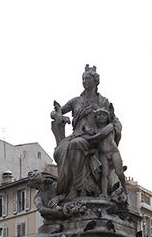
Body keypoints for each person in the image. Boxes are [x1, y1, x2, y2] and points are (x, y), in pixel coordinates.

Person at [51, 64, 122, 199]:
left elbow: (114, 120)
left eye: (87, 79)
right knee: (60, 150)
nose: (84, 82)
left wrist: (112, 129)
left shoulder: (102, 101)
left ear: (95, 81)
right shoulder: (76, 101)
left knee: (76, 144)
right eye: (83, 79)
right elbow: (54, 112)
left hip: (95, 137)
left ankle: (76, 189)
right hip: (77, 134)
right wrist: (59, 115)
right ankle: (67, 186)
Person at [83, 106, 126, 196]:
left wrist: (90, 137)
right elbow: (87, 131)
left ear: (107, 117)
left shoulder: (110, 126)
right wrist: (84, 129)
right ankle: (104, 193)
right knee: (104, 174)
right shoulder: (95, 129)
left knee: (119, 172)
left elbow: (101, 135)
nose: (101, 117)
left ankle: (125, 190)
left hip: (113, 152)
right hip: (103, 154)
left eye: (103, 115)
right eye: (98, 115)